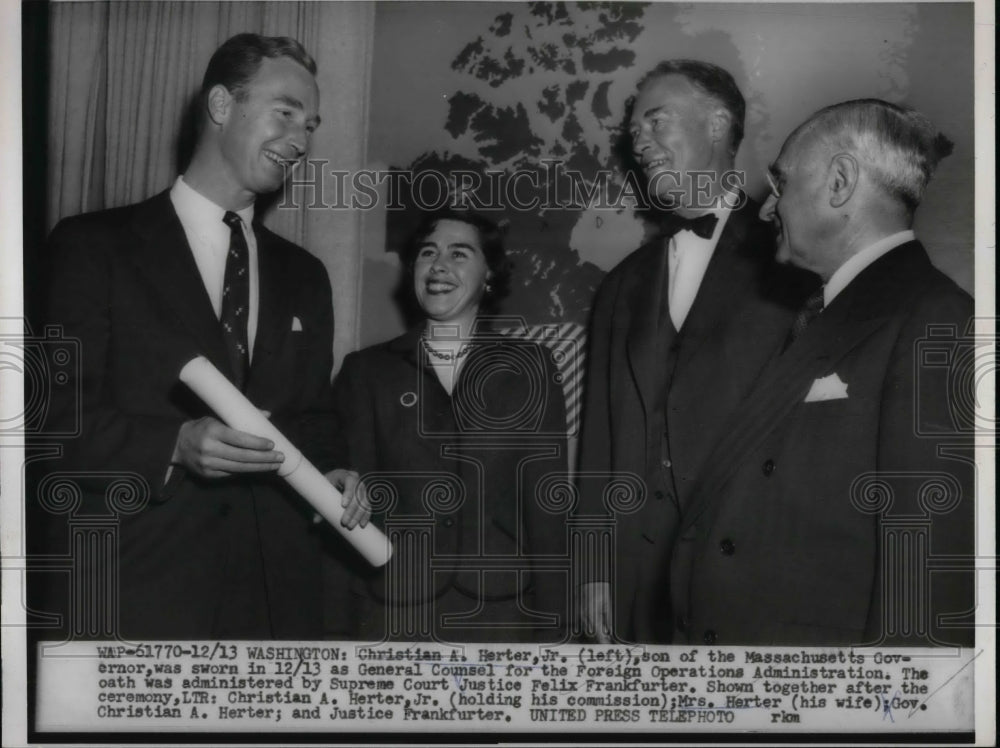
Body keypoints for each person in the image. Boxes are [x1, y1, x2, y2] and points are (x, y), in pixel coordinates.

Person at [34, 34, 363, 639]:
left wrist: (335, 471)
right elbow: (51, 423)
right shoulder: (91, 247)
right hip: (139, 597)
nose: (301, 140)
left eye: (310, 124)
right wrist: (175, 444)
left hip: (274, 605)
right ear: (219, 105)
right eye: (285, 112)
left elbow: (313, 417)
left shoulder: (306, 275)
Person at [669, 99, 975, 646]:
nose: (767, 210)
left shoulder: (937, 317)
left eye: (782, 184)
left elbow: (925, 580)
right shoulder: (827, 312)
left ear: (839, 182)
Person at [576, 60, 813, 643]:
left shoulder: (798, 261)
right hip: (636, 580)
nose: (642, 144)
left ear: (716, 123)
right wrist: (592, 569)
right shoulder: (619, 286)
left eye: (658, 122)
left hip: (756, 572)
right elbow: (600, 442)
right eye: (635, 134)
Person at [332, 209, 569, 642]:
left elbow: (546, 510)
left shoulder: (531, 369)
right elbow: (349, 496)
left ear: (489, 275)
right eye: (428, 252)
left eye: (460, 254)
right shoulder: (365, 372)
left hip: (503, 619)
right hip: (395, 616)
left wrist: (558, 634)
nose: (439, 265)